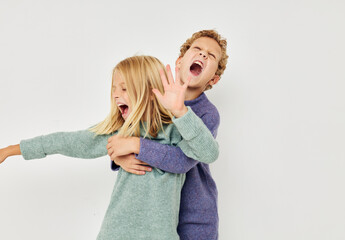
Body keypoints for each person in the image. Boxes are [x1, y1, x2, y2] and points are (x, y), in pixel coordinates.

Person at [0, 55, 219, 240]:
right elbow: (67, 142)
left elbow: (207, 153)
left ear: (148, 91)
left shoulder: (177, 131)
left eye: (124, 88)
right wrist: (11, 150)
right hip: (115, 233)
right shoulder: (120, 132)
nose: (116, 95)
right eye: (114, 88)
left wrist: (180, 112)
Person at [107, 30, 229, 240]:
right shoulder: (152, 99)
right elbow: (121, 134)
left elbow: (181, 160)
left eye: (211, 56)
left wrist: (136, 145)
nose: (202, 55)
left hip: (193, 219)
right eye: (197, 49)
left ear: (214, 79)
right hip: (155, 217)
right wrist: (119, 156)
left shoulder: (207, 114)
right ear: (180, 61)